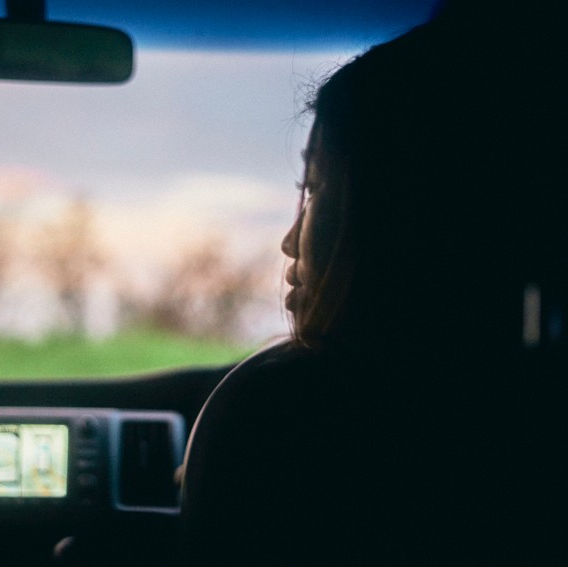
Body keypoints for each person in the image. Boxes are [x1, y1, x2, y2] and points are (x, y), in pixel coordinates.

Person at [181, 1, 567, 564]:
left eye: (315, 189)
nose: (290, 241)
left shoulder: (282, 416)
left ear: (394, 213)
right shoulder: (526, 419)